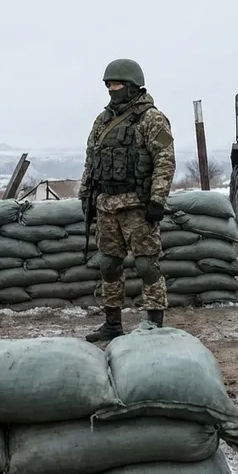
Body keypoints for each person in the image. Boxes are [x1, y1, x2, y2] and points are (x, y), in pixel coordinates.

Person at [78, 58, 176, 342]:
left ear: (132, 86)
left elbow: (165, 160)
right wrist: (86, 194)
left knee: (146, 265)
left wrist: (158, 200)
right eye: (108, 85)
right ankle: (112, 323)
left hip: (137, 206)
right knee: (108, 265)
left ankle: (155, 323)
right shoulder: (102, 120)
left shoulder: (151, 118)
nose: (111, 89)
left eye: (117, 84)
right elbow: (91, 158)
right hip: (107, 205)